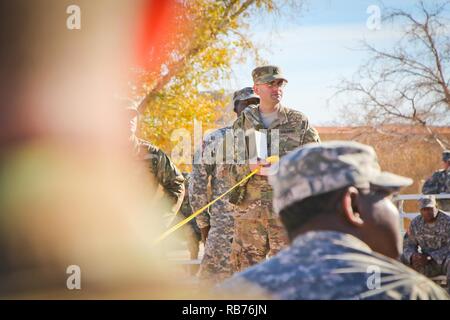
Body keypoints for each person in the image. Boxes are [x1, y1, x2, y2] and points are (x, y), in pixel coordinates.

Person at [220, 141, 449, 299]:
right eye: (387, 196)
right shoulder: (408, 291)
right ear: (353, 206)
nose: (393, 209)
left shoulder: (232, 294)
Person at [228, 65, 320, 273]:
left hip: (286, 212)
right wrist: (248, 166)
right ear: (257, 88)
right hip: (250, 214)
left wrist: (287, 166)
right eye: (270, 83)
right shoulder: (244, 123)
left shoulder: (298, 122)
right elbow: (228, 165)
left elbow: (314, 162)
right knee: (246, 276)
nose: (276, 88)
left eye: (280, 83)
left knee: (290, 274)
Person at [189, 87, 259, 284]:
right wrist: (204, 225)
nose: (251, 108)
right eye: (246, 104)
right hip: (224, 232)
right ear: (235, 108)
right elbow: (197, 185)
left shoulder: (273, 141)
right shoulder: (215, 140)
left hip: (262, 234)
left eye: (256, 104)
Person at [128, 107, 185, 220]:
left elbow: (176, 184)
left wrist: (160, 221)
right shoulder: (100, 153)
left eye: (133, 116)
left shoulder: (151, 153)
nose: (130, 120)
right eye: (124, 115)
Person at [402, 195, 450, 293]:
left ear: (436, 207)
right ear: (420, 210)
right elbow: (408, 244)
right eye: (424, 209)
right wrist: (413, 256)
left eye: (430, 208)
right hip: (425, 263)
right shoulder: (415, 223)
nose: (427, 212)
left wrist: (430, 256)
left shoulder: (447, 221)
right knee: (402, 260)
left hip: (445, 261)